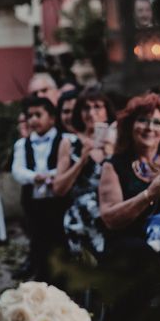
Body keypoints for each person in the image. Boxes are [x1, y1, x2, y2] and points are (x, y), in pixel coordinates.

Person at [98, 93, 160, 321]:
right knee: (141, 259)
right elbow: (110, 218)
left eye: (157, 122)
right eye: (142, 120)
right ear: (130, 125)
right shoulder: (115, 165)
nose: (149, 127)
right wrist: (149, 194)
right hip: (128, 242)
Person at [53, 88, 116, 257]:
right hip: (81, 219)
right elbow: (58, 188)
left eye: (97, 107)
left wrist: (111, 153)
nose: (91, 113)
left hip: (110, 216)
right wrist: (81, 161)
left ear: (107, 112)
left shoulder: (117, 140)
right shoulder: (70, 142)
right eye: (86, 108)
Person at [11, 96, 67, 282]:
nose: (33, 119)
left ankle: (56, 274)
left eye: (38, 115)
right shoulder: (22, 144)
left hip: (57, 200)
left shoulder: (64, 141)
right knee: (37, 235)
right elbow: (17, 171)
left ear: (52, 118)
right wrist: (34, 177)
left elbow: (66, 166)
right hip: (32, 200)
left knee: (56, 237)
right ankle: (39, 271)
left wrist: (52, 175)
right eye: (30, 116)